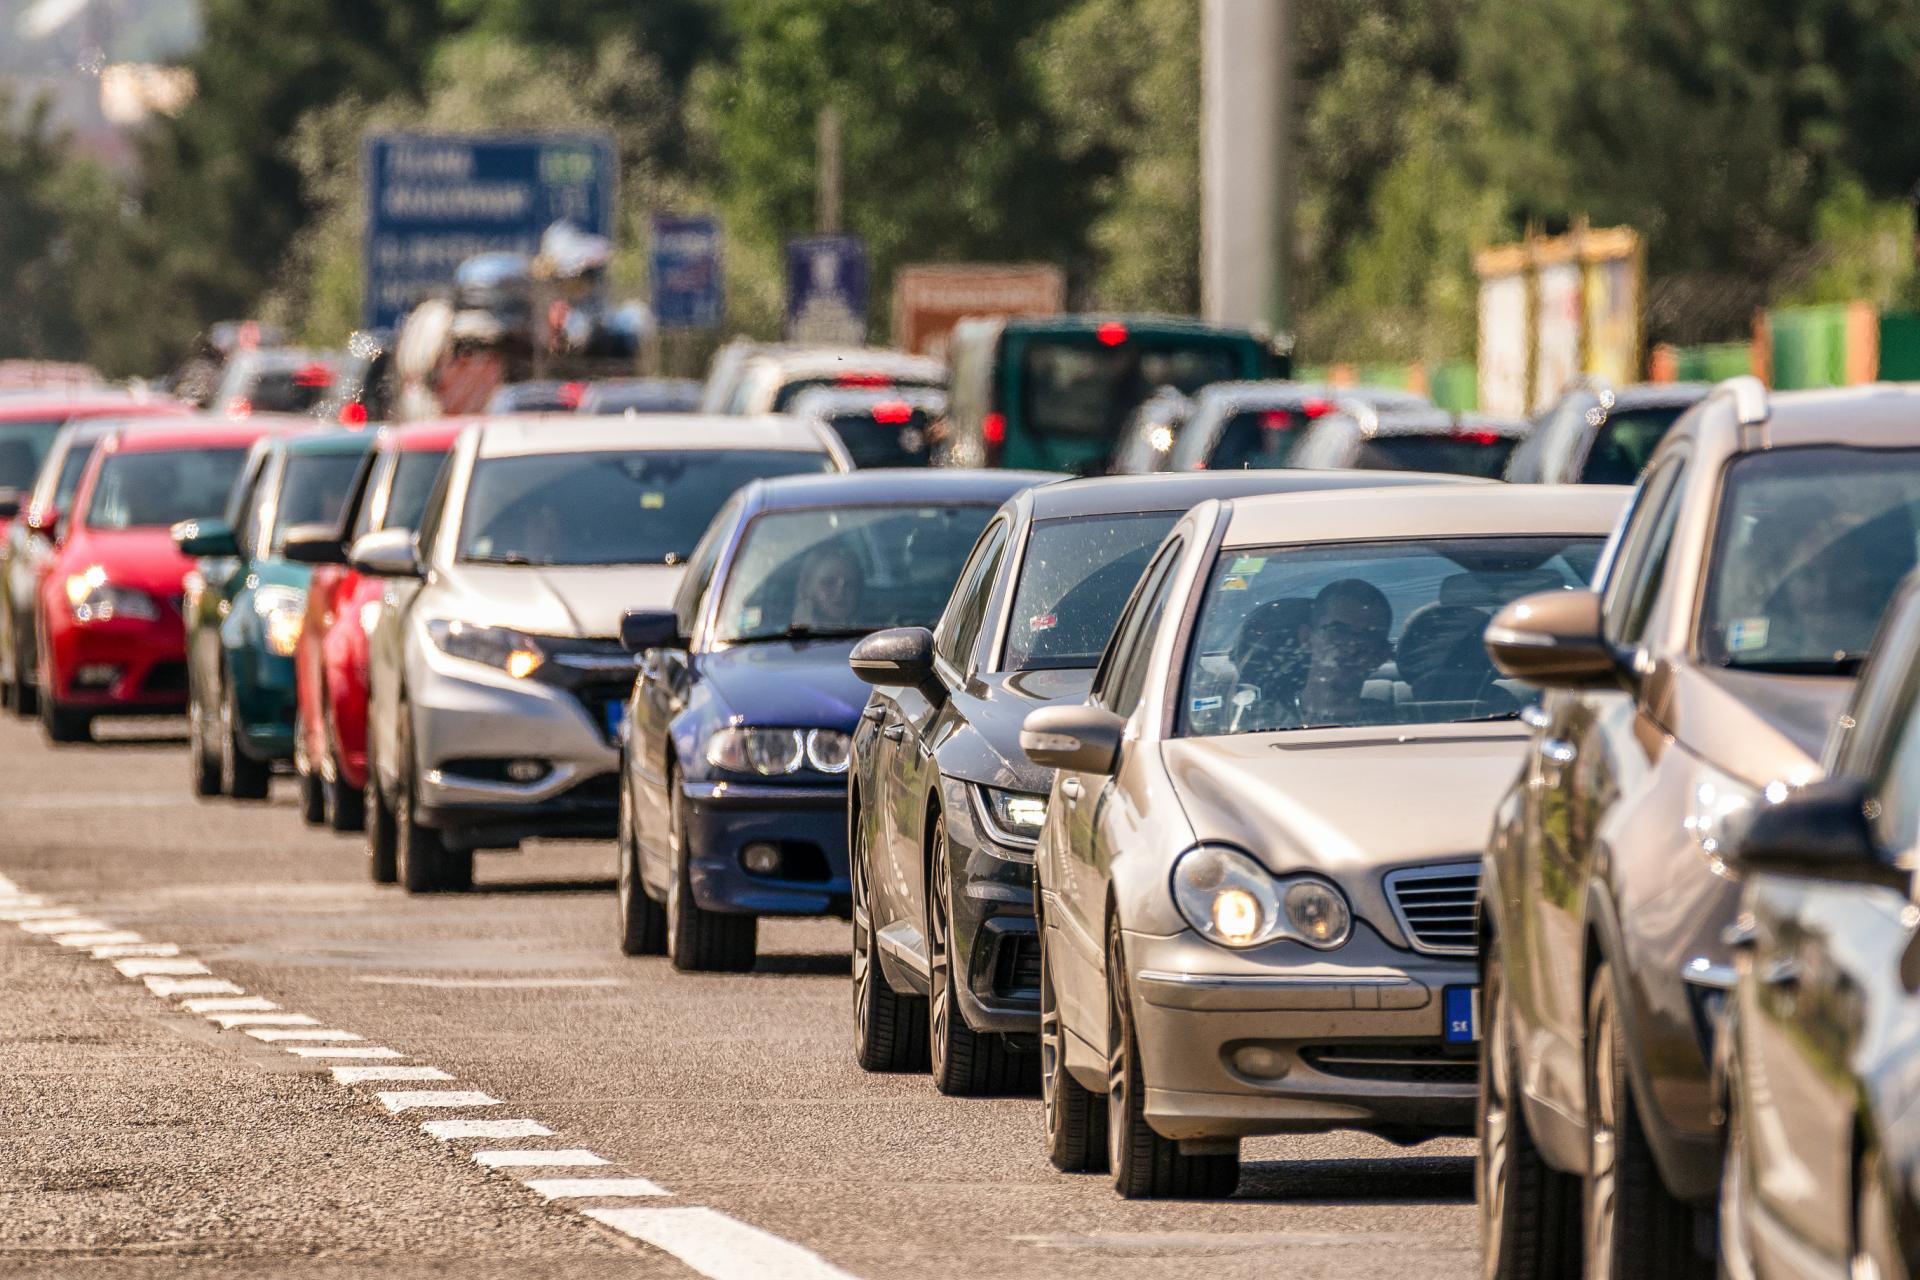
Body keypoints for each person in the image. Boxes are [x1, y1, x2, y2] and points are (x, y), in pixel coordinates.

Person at [1294, 578, 1394, 727]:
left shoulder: (1408, 725)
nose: (1352, 648)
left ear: (1382, 654)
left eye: (1368, 637)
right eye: (1339, 632)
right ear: (1307, 639)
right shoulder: (1256, 722)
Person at [792, 543, 864, 631]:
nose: (840, 592)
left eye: (850, 584)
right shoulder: (781, 638)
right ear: (806, 587)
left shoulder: (873, 638)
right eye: (828, 583)